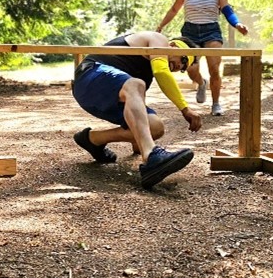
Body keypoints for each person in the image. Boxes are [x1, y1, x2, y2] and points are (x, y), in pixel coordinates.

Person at [72, 31, 202, 189]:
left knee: (155, 126)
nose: (180, 67)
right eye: (183, 59)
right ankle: (150, 157)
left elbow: (136, 111)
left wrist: (138, 142)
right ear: (173, 45)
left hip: (98, 97)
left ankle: (92, 139)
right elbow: (162, 71)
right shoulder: (158, 39)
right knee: (136, 85)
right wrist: (185, 109)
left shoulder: (144, 76)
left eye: (183, 68)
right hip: (89, 76)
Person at [156, 0, 248, 116]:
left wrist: (237, 24)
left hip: (211, 31)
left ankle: (216, 104)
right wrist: (161, 25)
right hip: (190, 32)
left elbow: (226, 9)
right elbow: (174, 9)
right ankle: (201, 83)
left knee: (214, 67)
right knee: (191, 70)